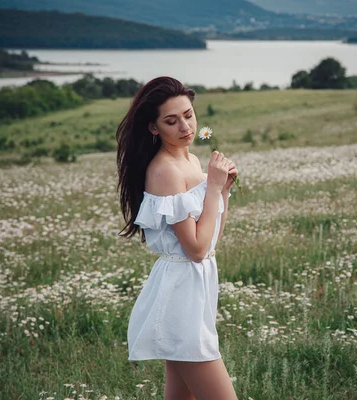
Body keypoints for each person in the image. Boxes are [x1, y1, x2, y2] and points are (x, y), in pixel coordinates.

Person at [116, 76, 239, 400]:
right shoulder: (165, 171)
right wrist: (211, 187)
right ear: (154, 128)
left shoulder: (192, 161)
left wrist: (222, 191)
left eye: (188, 115)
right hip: (180, 294)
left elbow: (210, 242)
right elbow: (196, 250)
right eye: (171, 121)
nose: (185, 126)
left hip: (196, 289)